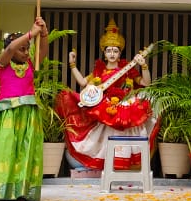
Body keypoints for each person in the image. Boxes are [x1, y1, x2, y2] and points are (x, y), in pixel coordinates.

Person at [57, 19, 157, 172]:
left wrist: (143, 65)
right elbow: (83, 82)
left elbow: (146, 83)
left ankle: (128, 166)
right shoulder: (99, 72)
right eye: (109, 51)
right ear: (104, 53)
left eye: (115, 51)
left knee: (129, 134)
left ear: (120, 53)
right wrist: (72, 65)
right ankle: (110, 166)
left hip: (125, 108)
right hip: (106, 109)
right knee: (105, 139)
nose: (112, 54)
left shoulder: (128, 70)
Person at [0, 18, 48, 201]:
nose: (26, 53)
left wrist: (43, 33)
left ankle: (21, 193)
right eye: (22, 49)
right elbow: (9, 49)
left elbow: (42, 51)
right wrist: (30, 34)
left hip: (28, 115)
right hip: (7, 115)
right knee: (6, 151)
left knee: (24, 153)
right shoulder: (2, 64)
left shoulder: (31, 65)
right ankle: (2, 193)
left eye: (27, 49)